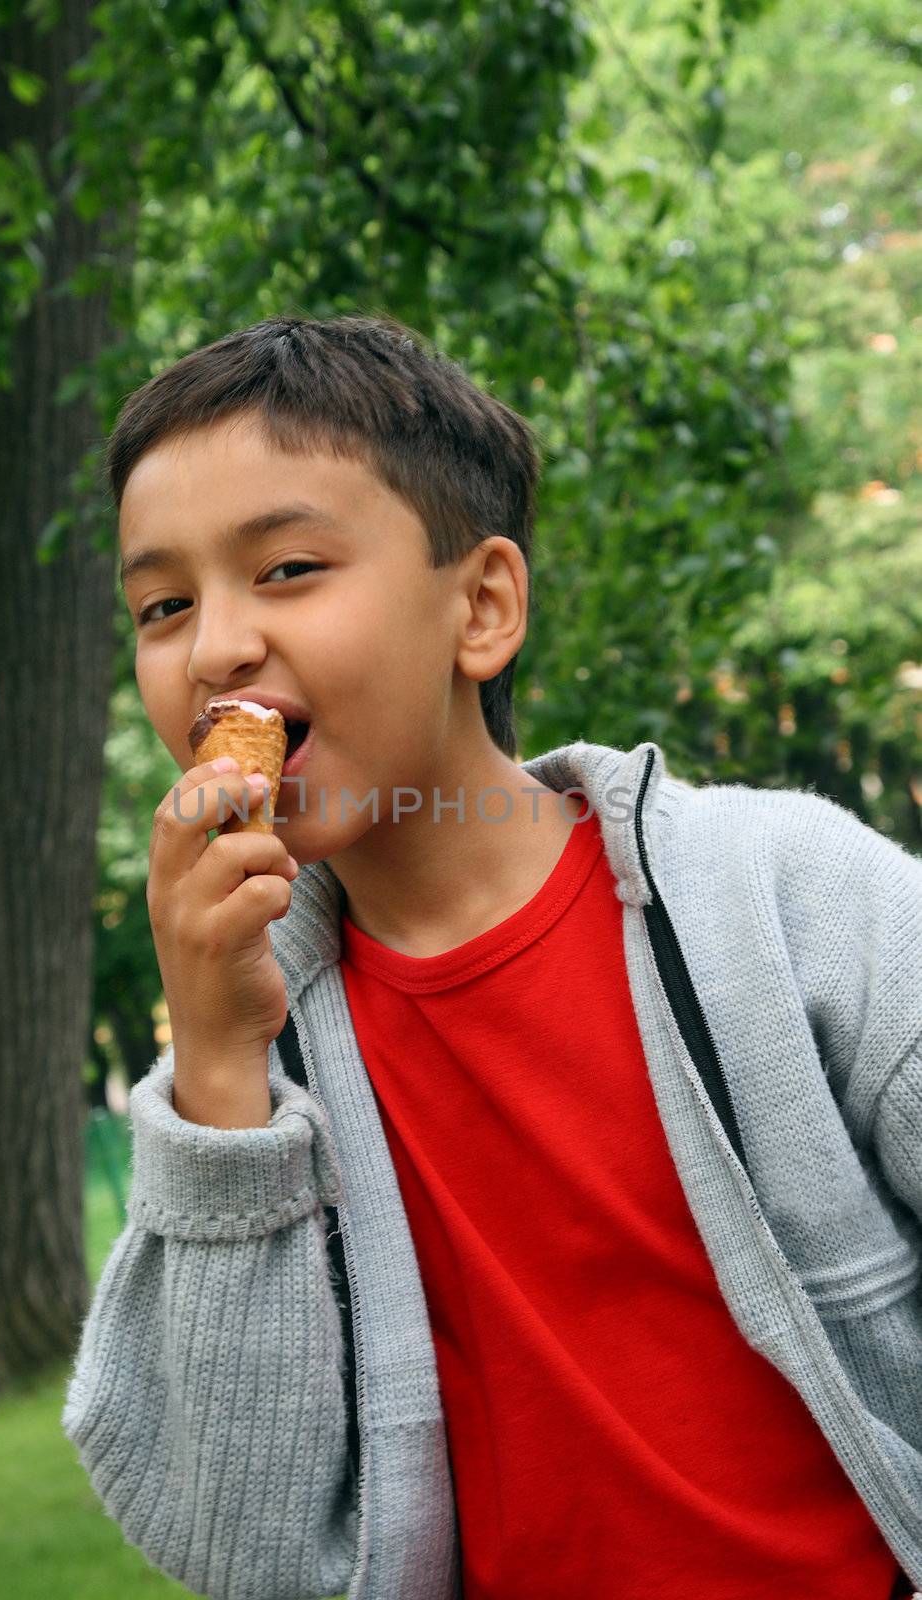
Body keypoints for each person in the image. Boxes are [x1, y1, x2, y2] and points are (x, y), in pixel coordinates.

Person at [62, 314, 922, 1600]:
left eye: (287, 568)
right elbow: (249, 1548)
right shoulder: (260, 1039)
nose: (213, 648)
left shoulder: (785, 896)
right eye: (163, 605)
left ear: (481, 606)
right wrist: (222, 1075)